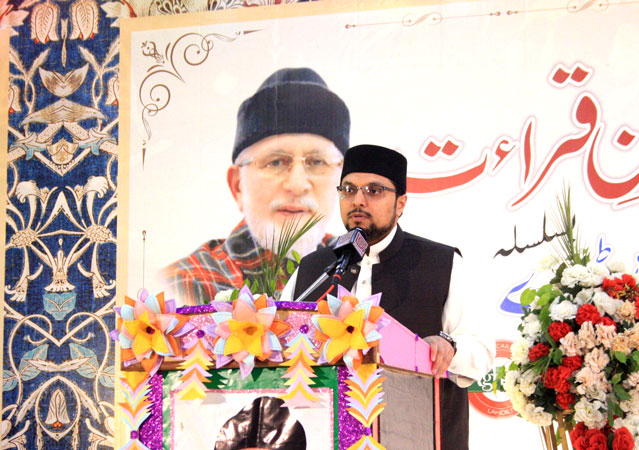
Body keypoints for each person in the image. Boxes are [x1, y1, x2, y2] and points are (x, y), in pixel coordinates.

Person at [280, 144, 494, 449]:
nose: (358, 200)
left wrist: (449, 349)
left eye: (374, 190)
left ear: (401, 203)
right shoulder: (312, 270)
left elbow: (482, 352)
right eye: (349, 189)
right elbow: (280, 339)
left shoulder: (441, 263)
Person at [160, 67, 350, 306]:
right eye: (276, 162)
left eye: (318, 162)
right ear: (237, 186)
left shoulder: (356, 266)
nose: (297, 184)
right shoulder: (186, 286)